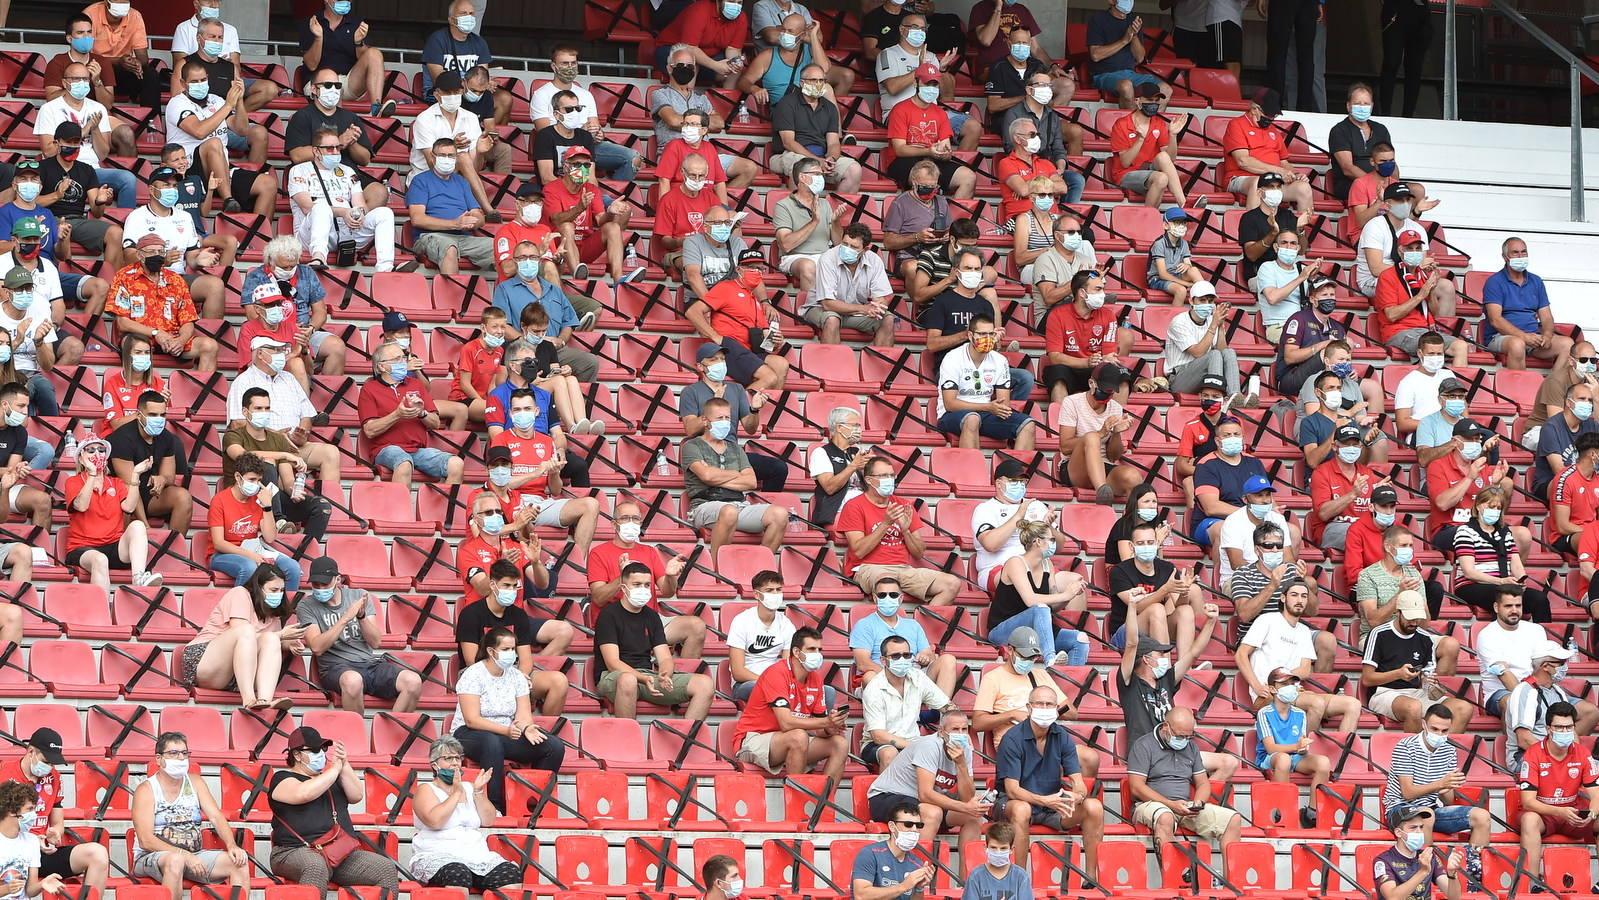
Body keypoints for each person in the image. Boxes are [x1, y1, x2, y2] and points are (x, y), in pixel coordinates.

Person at [269, 725, 399, 898]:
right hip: (291, 851)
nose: (321, 753)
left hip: (338, 852)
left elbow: (356, 795)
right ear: (297, 754)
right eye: (314, 750)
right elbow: (304, 793)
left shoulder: (331, 778)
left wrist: (344, 763)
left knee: (385, 868)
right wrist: (334, 770)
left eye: (323, 749)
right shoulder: (282, 778)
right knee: (315, 865)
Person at [448, 625, 565, 813]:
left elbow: (524, 715)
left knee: (554, 746)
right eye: (505, 649)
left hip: (507, 731)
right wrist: (507, 731)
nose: (511, 654)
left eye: (513, 649)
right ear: (490, 651)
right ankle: (494, 807)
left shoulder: (517, 676)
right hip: (469, 733)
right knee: (491, 741)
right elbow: (472, 720)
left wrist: (527, 728)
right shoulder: (473, 674)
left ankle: (532, 801)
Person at [995, 685, 1106, 870]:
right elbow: (1012, 790)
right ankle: (1020, 879)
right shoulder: (1012, 739)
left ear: (1057, 709)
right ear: (1029, 708)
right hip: (1013, 803)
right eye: (1040, 704)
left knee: (1093, 806)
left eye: (1049, 705)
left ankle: (1091, 881)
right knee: (1022, 809)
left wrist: (1077, 796)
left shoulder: (1062, 736)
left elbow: (1079, 783)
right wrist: (1045, 801)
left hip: (1051, 805)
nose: (1045, 709)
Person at [1116, 612, 1235, 783]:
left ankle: (1197, 804)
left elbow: (1193, 654)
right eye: (1160, 654)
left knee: (1229, 762)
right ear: (1146, 659)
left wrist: (1211, 620)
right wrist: (1133, 605)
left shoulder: (1166, 679)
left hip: (1178, 747)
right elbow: (1131, 643)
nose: (1165, 658)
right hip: (1148, 752)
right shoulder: (1130, 683)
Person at [131, 731, 250, 900]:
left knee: (239, 863)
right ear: (159, 759)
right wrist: (183, 855)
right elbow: (145, 840)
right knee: (175, 861)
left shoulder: (195, 782)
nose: (180, 758)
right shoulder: (147, 790)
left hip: (194, 854)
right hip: (150, 857)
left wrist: (231, 845)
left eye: (184, 753)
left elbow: (216, 816)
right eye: (173, 753)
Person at [297, 556, 421, 715]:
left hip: (368, 663)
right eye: (316, 585)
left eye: (325, 584)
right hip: (335, 667)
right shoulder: (306, 605)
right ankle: (358, 734)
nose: (320, 589)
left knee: (413, 681)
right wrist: (345, 618)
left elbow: (375, 642)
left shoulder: (359, 596)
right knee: (352, 680)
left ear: (338, 579)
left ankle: (390, 734)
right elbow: (316, 647)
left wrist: (361, 618)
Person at [866, 711, 988, 870]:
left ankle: (967, 884)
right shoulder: (929, 746)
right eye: (955, 729)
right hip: (887, 796)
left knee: (973, 817)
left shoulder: (965, 751)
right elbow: (925, 794)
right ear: (942, 732)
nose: (960, 734)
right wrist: (965, 807)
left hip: (922, 802)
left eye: (964, 729)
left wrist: (961, 765)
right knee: (932, 812)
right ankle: (917, 876)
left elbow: (967, 797)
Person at [595, 563, 716, 719]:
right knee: (628, 680)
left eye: (646, 585)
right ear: (624, 589)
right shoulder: (608, 615)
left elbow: (665, 657)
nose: (643, 589)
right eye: (636, 584)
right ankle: (629, 740)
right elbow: (613, 663)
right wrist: (644, 679)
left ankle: (685, 740)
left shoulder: (652, 616)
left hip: (647, 676)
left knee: (705, 684)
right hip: (613, 676)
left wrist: (665, 674)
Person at [1236, 577, 1359, 731]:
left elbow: (1305, 670)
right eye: (1294, 595)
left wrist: (1282, 678)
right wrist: (1256, 685)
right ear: (1283, 597)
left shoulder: (1303, 631)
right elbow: (1241, 654)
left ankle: (1342, 755)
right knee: (1317, 703)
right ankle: (1300, 750)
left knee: (1353, 704)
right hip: (1269, 693)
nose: (1299, 600)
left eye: (1304, 596)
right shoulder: (1266, 620)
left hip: (1296, 692)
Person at [1126, 706, 1242, 865]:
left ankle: (1231, 885)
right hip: (1150, 804)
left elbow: (1203, 783)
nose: (1185, 741)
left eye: (1189, 736)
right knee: (1165, 817)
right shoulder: (1143, 745)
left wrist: (1198, 803)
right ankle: (1170, 881)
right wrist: (1170, 804)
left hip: (1184, 805)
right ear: (1166, 726)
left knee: (1232, 819)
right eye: (1181, 736)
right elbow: (1136, 787)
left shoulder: (1191, 746)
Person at [1382, 705, 1490, 873]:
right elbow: (1407, 792)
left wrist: (1449, 785)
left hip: (1431, 808)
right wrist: (1441, 783)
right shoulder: (1405, 747)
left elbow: (1447, 800)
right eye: (1435, 729)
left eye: (1444, 731)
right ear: (1424, 724)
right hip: (1398, 808)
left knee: (1482, 816)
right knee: (1427, 815)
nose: (1439, 735)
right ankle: (1427, 873)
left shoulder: (1449, 750)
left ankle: (1472, 872)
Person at [456, 557, 570, 715]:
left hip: (512, 671)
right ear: (492, 585)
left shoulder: (519, 615)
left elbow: (526, 658)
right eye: (506, 585)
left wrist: (520, 676)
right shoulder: (471, 614)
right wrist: (502, 678)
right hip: (478, 674)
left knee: (559, 681)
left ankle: (545, 732)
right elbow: (471, 660)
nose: (511, 591)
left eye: (514, 586)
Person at [408, 737, 524, 891]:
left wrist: (478, 791)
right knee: (458, 874)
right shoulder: (426, 789)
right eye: (448, 758)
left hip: (476, 854)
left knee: (511, 874)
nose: (455, 763)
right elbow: (434, 821)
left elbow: (488, 820)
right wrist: (456, 793)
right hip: (438, 853)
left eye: (458, 758)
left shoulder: (470, 787)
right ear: (434, 765)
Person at [839, 460, 962, 605]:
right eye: (884, 476)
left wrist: (905, 530)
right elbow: (859, 551)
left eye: (892, 475)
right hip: (869, 568)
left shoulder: (904, 505)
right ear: (869, 480)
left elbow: (919, 552)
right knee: (888, 584)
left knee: (952, 584)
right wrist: (886, 524)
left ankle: (919, 626)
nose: (889, 480)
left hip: (903, 569)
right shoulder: (854, 506)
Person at [732, 627, 849, 778]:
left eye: (819, 649)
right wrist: (826, 722)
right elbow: (786, 723)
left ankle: (823, 801)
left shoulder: (816, 678)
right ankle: (796, 799)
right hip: (753, 739)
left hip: (789, 740)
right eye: (811, 649)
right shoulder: (776, 673)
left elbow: (820, 729)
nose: (817, 654)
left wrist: (832, 726)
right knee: (799, 736)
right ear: (796, 652)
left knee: (840, 744)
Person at [182, 563, 302, 710]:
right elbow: (241, 632)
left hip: (234, 675)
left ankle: (265, 700)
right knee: (247, 630)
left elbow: (267, 640)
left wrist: (289, 643)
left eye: (282, 590)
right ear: (259, 587)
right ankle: (249, 700)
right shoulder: (240, 593)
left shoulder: (273, 612)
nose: (278, 594)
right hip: (204, 661)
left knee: (271, 639)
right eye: (273, 589)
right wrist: (281, 635)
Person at [681, 396, 788, 561]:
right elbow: (706, 476)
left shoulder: (735, 449)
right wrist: (736, 473)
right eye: (719, 418)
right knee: (729, 512)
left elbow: (750, 481)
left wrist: (715, 474)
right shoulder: (692, 446)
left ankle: (760, 566)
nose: (724, 422)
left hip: (739, 504)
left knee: (780, 514)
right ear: (705, 420)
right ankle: (719, 568)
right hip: (704, 505)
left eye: (727, 418)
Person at [224, 388, 336, 540]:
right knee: (268, 464)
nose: (263, 412)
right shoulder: (233, 436)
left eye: (267, 408)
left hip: (272, 496)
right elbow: (241, 455)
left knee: (322, 507)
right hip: (243, 497)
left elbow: (287, 479)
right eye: (258, 408)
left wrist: (294, 492)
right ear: (245, 411)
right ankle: (279, 520)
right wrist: (284, 454)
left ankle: (303, 551)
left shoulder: (278, 440)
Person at [164, 60, 269, 215]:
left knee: (267, 185)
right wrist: (228, 106)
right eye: (194, 81)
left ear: (208, 78)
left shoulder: (216, 101)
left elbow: (242, 130)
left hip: (221, 168)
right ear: (183, 83)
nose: (200, 84)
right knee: (214, 143)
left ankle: (260, 236)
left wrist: (239, 101)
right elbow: (199, 132)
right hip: (189, 168)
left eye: (203, 80)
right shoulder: (177, 103)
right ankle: (228, 199)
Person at [285, 67, 391, 217]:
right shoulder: (302, 117)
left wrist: (351, 141)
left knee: (379, 192)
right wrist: (339, 142)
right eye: (328, 85)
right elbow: (297, 156)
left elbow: (365, 159)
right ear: (314, 89)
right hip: (316, 176)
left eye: (337, 86)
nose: (333, 89)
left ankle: (352, 231)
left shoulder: (351, 117)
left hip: (348, 176)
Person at [1515, 701, 1599, 890]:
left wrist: (1592, 814)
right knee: (1529, 820)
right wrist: (1559, 812)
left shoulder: (1583, 754)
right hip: (1544, 814)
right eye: (1559, 727)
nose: (1564, 731)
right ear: (1548, 729)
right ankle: (1533, 884)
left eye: (1569, 727)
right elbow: (1528, 802)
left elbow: (1597, 795)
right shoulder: (1533, 754)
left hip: (1572, 814)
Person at [105, 233, 220, 371]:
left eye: (161, 251)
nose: (157, 255)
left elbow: (187, 320)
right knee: (139, 347)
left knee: (209, 345)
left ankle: (205, 392)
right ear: (139, 255)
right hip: (139, 336)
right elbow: (122, 323)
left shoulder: (176, 279)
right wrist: (156, 333)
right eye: (151, 251)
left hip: (172, 338)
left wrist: (181, 340)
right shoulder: (124, 276)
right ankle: (140, 390)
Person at [650, 48, 758, 193]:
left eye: (690, 66)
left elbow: (719, 123)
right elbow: (673, 120)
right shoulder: (660, 94)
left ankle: (713, 204)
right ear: (670, 68)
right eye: (681, 65)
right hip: (675, 156)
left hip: (705, 154)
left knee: (749, 168)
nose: (686, 69)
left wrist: (689, 122)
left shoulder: (701, 98)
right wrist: (705, 120)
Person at [1362, 590, 1473, 732]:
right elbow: (1367, 679)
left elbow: (1426, 680)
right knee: (1414, 707)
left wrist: (1429, 679)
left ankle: (1442, 752)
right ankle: (1414, 753)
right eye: (1410, 617)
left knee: (1464, 708)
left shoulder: (1425, 638)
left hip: (1416, 692)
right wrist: (1398, 674)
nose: (1414, 622)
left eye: (1418, 618)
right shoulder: (1379, 634)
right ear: (1397, 611)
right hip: (1382, 692)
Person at [287, 128, 396, 272]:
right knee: (321, 207)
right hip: (311, 234)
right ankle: (318, 256)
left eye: (338, 148)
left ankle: (386, 268)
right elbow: (307, 208)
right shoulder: (299, 170)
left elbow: (361, 205)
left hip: (346, 232)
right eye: (329, 148)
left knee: (385, 213)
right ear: (316, 151)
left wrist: (358, 215)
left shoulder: (348, 171)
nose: (335, 152)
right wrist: (344, 212)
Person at [359, 341, 463, 488]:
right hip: (386, 448)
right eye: (396, 359)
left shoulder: (416, 385)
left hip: (417, 450)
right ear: (381, 366)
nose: (402, 362)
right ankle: (400, 510)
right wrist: (397, 415)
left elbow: (435, 423)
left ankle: (447, 511)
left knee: (456, 464)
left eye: (403, 358)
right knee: (404, 462)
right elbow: (369, 430)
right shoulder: (369, 389)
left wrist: (422, 413)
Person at [491, 243, 601, 383]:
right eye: (523, 257)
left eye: (533, 257)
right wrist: (527, 341)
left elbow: (568, 322)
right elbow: (502, 325)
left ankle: (569, 400)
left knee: (590, 362)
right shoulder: (505, 289)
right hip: (522, 349)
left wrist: (560, 340)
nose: (528, 261)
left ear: (540, 260)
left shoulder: (554, 290)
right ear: (515, 262)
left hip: (554, 350)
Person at [35, 59, 137, 208]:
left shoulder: (98, 108)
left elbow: (102, 154)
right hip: (60, 170)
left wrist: (95, 130)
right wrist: (84, 130)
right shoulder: (49, 109)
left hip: (91, 170)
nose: (81, 82)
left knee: (127, 178)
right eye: (76, 79)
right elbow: (48, 151)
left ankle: (127, 225)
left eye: (85, 79)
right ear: (65, 83)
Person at [64, 435, 160, 591]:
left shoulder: (116, 482)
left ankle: (139, 579)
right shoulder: (73, 481)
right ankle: (100, 610)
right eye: (91, 450)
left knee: (137, 525)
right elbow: (81, 506)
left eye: (101, 450)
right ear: (81, 459)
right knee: (99, 559)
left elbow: (129, 507)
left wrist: (135, 475)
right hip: (82, 547)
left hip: (114, 545)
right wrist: (92, 475)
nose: (97, 453)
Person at [530, 45, 639, 181]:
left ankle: (614, 199)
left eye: (573, 63)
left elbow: (594, 126)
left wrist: (598, 134)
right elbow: (544, 132)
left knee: (632, 158)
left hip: (588, 146)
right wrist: (580, 131)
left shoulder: (586, 95)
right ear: (553, 66)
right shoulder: (541, 94)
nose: (570, 67)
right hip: (559, 149)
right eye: (564, 63)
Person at [990, 520, 1089, 666]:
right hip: (1003, 629)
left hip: (1036, 630)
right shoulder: (1015, 563)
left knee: (1080, 639)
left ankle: (1070, 686)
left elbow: (1053, 607)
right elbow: (1030, 600)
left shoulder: (1047, 564)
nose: (1054, 543)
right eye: (1052, 540)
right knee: (1040, 607)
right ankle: (1050, 660)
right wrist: (1065, 594)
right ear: (1038, 541)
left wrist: (1071, 595)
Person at [936, 313, 1038, 450]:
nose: (987, 339)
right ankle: (972, 471)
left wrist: (996, 408)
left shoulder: (999, 360)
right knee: (972, 419)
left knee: (1027, 424)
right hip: (951, 415)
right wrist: (986, 407)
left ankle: (1016, 471)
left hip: (986, 415)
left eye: (991, 334)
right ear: (970, 336)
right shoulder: (953, 358)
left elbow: (1003, 403)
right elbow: (950, 404)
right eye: (982, 334)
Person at [207, 453, 305, 591]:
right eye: (251, 479)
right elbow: (219, 543)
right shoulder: (219, 500)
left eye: (259, 480)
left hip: (253, 548)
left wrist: (267, 507)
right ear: (237, 477)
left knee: (293, 568)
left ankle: (286, 610)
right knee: (249, 567)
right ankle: (239, 608)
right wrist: (251, 556)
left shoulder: (258, 499)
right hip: (221, 554)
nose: (255, 484)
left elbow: (270, 537)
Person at [543, 147, 640, 285]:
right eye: (577, 164)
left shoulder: (592, 189)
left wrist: (610, 212)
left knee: (612, 226)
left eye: (586, 165)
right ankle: (577, 273)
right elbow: (556, 219)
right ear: (565, 168)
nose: (582, 168)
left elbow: (601, 220)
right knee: (566, 226)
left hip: (584, 245)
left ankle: (619, 279)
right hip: (559, 247)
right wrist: (579, 208)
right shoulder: (551, 189)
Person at [1110, 519, 1206, 658]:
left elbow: (1179, 605)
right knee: (1157, 608)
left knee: (1185, 610)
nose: (1146, 547)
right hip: (1126, 631)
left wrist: (1183, 592)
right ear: (1132, 546)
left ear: (1157, 544)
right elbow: (1137, 607)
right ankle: (1165, 668)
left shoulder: (1167, 568)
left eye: (1150, 542)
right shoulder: (1119, 571)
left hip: (1158, 625)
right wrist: (1165, 589)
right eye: (1140, 543)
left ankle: (1184, 665)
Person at [849, 579, 962, 695]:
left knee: (948, 660)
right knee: (869, 676)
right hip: (880, 679)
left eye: (893, 595)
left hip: (913, 678)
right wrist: (896, 678)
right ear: (875, 598)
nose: (888, 599)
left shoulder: (913, 625)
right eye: (882, 595)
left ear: (901, 598)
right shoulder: (864, 625)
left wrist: (925, 658)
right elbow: (862, 663)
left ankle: (941, 711)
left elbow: (929, 655)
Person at [862, 635, 959, 769]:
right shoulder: (874, 688)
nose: (902, 659)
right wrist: (916, 746)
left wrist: (959, 730)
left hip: (914, 741)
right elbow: (878, 736)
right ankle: (885, 790)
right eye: (896, 656)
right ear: (883, 660)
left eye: (906, 655)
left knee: (953, 747)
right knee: (890, 753)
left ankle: (940, 790)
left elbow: (947, 707)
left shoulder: (918, 677)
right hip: (877, 744)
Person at [883, 62, 977, 198]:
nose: (931, 88)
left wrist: (944, 153)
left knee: (969, 177)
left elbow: (946, 148)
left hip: (932, 159)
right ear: (916, 84)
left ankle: (950, 218)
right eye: (927, 84)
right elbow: (900, 149)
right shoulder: (900, 109)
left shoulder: (940, 113)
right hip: (902, 162)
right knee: (925, 172)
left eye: (935, 84)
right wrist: (928, 150)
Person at [1456, 487, 1550, 620]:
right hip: (1471, 585)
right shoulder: (1465, 531)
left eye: (1498, 508)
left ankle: (1544, 639)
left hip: (1503, 584)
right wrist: (1501, 581)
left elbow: (1516, 564)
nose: (1495, 511)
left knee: (1540, 599)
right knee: (1503, 596)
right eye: (1491, 506)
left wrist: (1521, 580)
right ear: (1478, 505)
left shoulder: (1505, 532)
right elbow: (1469, 572)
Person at [108, 391, 194, 534]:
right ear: (138, 414)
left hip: (149, 492)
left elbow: (169, 475)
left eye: (162, 415)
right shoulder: (122, 438)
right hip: (121, 495)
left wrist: (163, 479)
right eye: (153, 415)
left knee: (183, 497)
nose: (159, 419)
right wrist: (145, 526)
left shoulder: (166, 437)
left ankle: (172, 550)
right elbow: (129, 484)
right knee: (126, 490)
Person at [407, 136, 494, 276]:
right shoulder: (420, 181)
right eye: (442, 155)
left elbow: (479, 215)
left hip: (464, 238)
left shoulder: (461, 182)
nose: (446, 159)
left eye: (450, 155)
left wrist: (472, 222)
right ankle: (451, 297)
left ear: (456, 157)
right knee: (449, 248)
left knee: (501, 247)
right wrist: (455, 224)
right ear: (432, 157)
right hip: (431, 236)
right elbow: (417, 219)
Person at [1252, 668, 1328, 827]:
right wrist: (1296, 746)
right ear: (1272, 689)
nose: (1290, 687)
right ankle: (1283, 810)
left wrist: (1303, 748)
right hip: (1270, 758)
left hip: (1295, 756)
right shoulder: (1264, 713)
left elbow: (1300, 743)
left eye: (1292, 683)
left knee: (1323, 762)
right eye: (1284, 684)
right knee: (1283, 759)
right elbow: (1271, 748)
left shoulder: (1300, 714)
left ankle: (1312, 813)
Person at [1374, 229, 1463, 363]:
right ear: (1400, 252)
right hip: (1399, 331)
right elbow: (1392, 315)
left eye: (1418, 248)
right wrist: (1420, 295)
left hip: (1424, 330)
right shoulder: (1388, 276)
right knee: (1431, 348)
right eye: (1410, 249)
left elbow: (1435, 314)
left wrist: (1431, 290)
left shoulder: (1422, 275)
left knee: (1461, 346)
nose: (1414, 252)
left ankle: (1455, 384)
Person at [1057, 363, 1142, 504]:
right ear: (1091, 383)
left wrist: (1116, 433)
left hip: (1104, 465)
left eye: (1110, 392)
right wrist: (1101, 433)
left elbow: (1113, 456)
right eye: (1104, 389)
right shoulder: (1072, 402)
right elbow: (1065, 447)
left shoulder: (1115, 408)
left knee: (1132, 477)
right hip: (1075, 467)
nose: (1107, 394)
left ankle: (1131, 522)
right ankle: (1103, 493)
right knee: (1092, 437)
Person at [1483, 237, 1572, 371]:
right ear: (1504, 257)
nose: (1520, 256)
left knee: (1568, 344)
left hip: (1533, 337)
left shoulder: (1536, 281)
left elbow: (1547, 317)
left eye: (1524, 252)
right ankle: (1518, 391)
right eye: (1515, 252)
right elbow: (1495, 320)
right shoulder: (1494, 282)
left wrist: (1547, 335)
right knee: (1517, 344)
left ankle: (1551, 389)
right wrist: (1523, 336)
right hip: (1501, 337)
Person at [769, 65, 862, 192]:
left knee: (854, 169)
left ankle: (834, 211)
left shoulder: (829, 107)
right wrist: (817, 161)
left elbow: (834, 143)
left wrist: (831, 159)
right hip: (790, 155)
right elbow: (788, 142)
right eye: (813, 80)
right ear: (802, 83)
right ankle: (799, 210)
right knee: (806, 166)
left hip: (821, 156)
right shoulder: (787, 103)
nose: (818, 84)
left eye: (821, 80)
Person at [1042, 270, 1132, 401]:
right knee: (1057, 375)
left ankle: (1116, 420)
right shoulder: (1057, 315)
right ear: (1081, 293)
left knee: (1121, 375)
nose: (1102, 294)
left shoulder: (1108, 315)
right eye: (1097, 289)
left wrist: (1107, 359)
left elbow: (1108, 354)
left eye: (1102, 289)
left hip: (1096, 369)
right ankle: (1061, 421)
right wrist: (1086, 362)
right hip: (1069, 369)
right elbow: (1054, 357)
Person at [1428, 420, 1517, 552]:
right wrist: (1469, 477)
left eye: (1477, 440)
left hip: (1481, 525)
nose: (1475, 444)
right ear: (1455, 441)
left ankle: (1507, 572)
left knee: (1522, 535)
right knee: (1474, 534)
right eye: (1469, 440)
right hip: (1449, 528)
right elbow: (1442, 504)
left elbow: (1490, 506)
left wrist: (1495, 484)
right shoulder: (1437, 466)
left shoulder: (1482, 466)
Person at [298, 0, 397, 118]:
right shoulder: (311, 23)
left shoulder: (356, 22)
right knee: (335, 88)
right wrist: (319, 38)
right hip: (318, 83)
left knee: (375, 54)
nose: (345, 1)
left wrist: (358, 43)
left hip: (349, 82)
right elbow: (311, 65)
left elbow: (367, 61)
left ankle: (376, 108)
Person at [1504, 641, 1589, 772]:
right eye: (1561, 663)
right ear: (1545, 666)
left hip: (1558, 756)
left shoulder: (1558, 691)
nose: (1565, 666)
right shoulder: (1525, 691)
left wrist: (1576, 759)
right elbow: (1524, 740)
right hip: (1526, 758)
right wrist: (1558, 758)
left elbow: (1572, 732)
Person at [1475, 587, 1559, 718]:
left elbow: (1544, 667)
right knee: (1513, 704)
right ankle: (1514, 739)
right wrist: (1529, 698)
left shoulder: (1536, 630)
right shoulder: (1487, 635)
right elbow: (1504, 674)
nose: (1514, 610)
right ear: (1496, 607)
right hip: (1500, 692)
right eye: (1508, 606)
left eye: (1518, 605)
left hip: (1536, 689)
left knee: (1589, 711)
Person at [1221, 89, 1311, 212]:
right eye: (1267, 114)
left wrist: (1294, 175)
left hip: (1274, 180)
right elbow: (1243, 161)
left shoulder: (1272, 129)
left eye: (1274, 115)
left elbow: (1284, 162)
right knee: (1257, 183)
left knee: (1303, 188)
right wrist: (1279, 171)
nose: (1271, 118)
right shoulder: (1236, 124)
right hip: (1242, 178)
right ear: (1253, 109)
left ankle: (1302, 230)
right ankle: (1253, 229)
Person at [804, 225, 895, 346]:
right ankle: (830, 364)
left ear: (865, 250)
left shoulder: (874, 260)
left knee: (888, 319)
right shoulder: (828, 258)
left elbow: (881, 298)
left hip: (854, 312)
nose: (847, 248)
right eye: (845, 244)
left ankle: (881, 364)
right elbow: (827, 304)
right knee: (832, 319)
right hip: (819, 308)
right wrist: (864, 309)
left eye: (854, 247)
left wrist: (878, 307)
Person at [725, 569, 806, 700]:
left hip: (778, 684)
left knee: (827, 692)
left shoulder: (786, 624)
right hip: (746, 684)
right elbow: (738, 672)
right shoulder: (741, 621)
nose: (776, 594)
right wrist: (768, 682)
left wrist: (778, 683)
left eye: (778, 589)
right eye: (769, 590)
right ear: (757, 595)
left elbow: (788, 666)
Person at [738, 14, 849, 107]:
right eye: (783, 29)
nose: (785, 34)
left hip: (810, 107)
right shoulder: (767, 56)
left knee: (827, 89)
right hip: (784, 110)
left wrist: (813, 37)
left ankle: (837, 133)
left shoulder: (809, 50)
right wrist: (754, 89)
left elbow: (824, 68)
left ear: (801, 36)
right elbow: (744, 81)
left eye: (790, 31)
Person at [1308, 422, 1384, 551]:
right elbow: (1323, 514)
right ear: (1334, 446)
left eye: (1355, 444)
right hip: (1331, 529)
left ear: (1361, 446)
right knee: (1359, 535)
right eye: (1346, 444)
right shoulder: (1322, 472)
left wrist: (1382, 495)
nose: (1351, 448)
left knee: (1396, 535)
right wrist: (1353, 494)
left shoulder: (1367, 473)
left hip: (1363, 529)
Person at [772, 159, 841, 294]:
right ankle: (811, 310)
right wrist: (814, 221)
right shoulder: (783, 205)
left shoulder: (825, 204)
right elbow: (786, 244)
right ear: (802, 177)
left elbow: (838, 243)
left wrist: (836, 222)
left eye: (821, 175)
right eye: (816, 174)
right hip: (795, 257)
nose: (821, 178)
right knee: (808, 266)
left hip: (824, 256)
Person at [1084, 0, 1168, 108]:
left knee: (1166, 89)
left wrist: (1134, 35)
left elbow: (1140, 58)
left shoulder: (1133, 20)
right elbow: (1095, 55)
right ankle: (1131, 124)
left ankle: (1153, 125)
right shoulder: (1098, 20)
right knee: (1126, 86)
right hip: (1104, 75)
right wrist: (1124, 40)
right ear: (1111, 1)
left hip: (1130, 74)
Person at [849, 801, 937, 900]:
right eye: (908, 824)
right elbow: (861, 896)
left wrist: (919, 888)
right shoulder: (870, 854)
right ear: (892, 826)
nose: (914, 829)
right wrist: (903, 886)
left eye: (918, 825)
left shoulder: (917, 864)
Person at [1355, 182, 1430, 298]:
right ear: (1387, 205)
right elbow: (1376, 269)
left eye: (1407, 199)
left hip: (1409, 277)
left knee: (1445, 287)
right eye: (1399, 200)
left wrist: (1427, 266)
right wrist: (1412, 270)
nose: (1405, 204)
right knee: (1410, 288)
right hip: (1373, 281)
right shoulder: (1374, 226)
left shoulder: (1418, 228)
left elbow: (1422, 263)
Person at [85, 0, 164, 107]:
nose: (122, 3)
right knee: (83, 74)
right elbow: (84, 56)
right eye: (118, 1)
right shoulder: (90, 15)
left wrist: (136, 63)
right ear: (106, 2)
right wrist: (118, 61)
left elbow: (143, 57)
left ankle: (150, 121)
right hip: (96, 69)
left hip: (124, 69)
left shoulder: (135, 16)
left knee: (151, 75)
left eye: (124, 1)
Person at [996, 117, 1075, 225]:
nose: (1036, 138)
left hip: (1050, 218)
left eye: (1037, 135)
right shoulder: (1007, 163)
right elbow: (1023, 190)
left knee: (1086, 233)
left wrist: (1029, 184)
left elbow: (1063, 188)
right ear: (1017, 139)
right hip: (1021, 219)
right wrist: (1047, 184)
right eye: (1032, 135)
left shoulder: (1046, 163)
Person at [1377, 806, 1465, 900]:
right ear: (1399, 832)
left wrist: (1452, 873)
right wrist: (1423, 871)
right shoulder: (1383, 861)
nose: (1419, 832)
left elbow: (1454, 897)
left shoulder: (1430, 857)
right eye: (1413, 827)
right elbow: (1392, 897)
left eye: (1421, 827)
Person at [655, 0, 750, 85]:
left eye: (739, 3)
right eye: (731, 1)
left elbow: (733, 48)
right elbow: (690, 48)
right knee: (689, 61)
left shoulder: (741, 17)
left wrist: (735, 63)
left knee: (734, 69)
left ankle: (729, 102)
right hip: (672, 50)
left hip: (709, 57)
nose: (735, 6)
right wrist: (716, 66)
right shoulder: (699, 10)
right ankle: (687, 101)